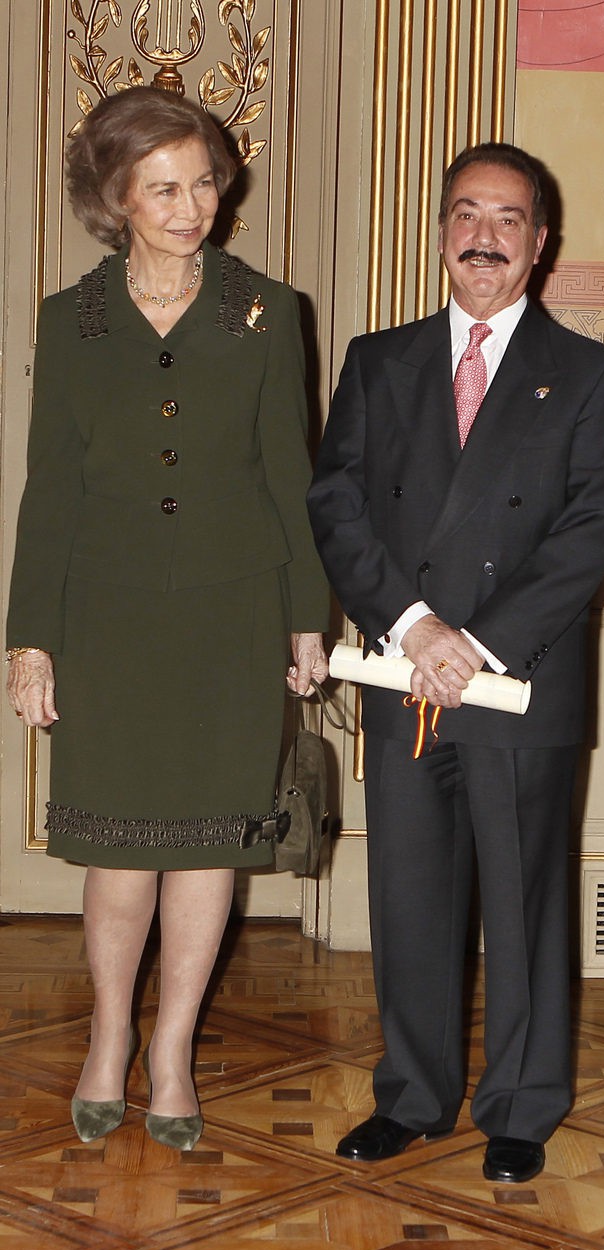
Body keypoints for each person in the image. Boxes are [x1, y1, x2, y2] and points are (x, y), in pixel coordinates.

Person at [5, 88, 330, 1151]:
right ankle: (108, 1037)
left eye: (202, 183)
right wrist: (30, 636)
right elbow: (48, 487)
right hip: (109, 620)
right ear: (115, 200)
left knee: (206, 848)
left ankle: (172, 1052)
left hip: (232, 617)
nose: (192, 207)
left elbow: (292, 476)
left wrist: (304, 620)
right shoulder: (72, 320)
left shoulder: (266, 310)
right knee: (119, 849)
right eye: (164, 189)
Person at [307, 142, 604, 1182]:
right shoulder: (378, 360)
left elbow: (589, 533)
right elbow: (337, 506)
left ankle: (522, 1108)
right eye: (464, 213)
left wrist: (474, 643)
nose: (482, 235)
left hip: (516, 677)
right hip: (408, 673)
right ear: (441, 232)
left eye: (506, 219)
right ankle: (410, 1094)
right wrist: (413, 628)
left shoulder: (590, 375)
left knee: (527, 899)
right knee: (409, 894)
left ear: (539, 245)